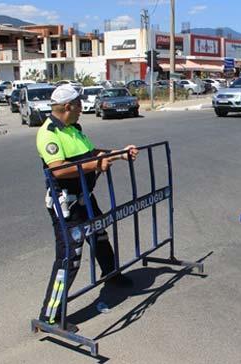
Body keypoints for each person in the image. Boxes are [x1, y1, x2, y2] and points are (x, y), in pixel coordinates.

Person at [36, 84, 138, 332]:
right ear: (68, 107)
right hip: (66, 204)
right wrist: (96, 165)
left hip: (85, 197)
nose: (83, 109)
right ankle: (49, 316)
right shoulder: (48, 133)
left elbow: (91, 153)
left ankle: (111, 274)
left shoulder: (74, 129)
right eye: (79, 105)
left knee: (100, 236)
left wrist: (118, 154)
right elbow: (58, 169)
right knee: (69, 257)